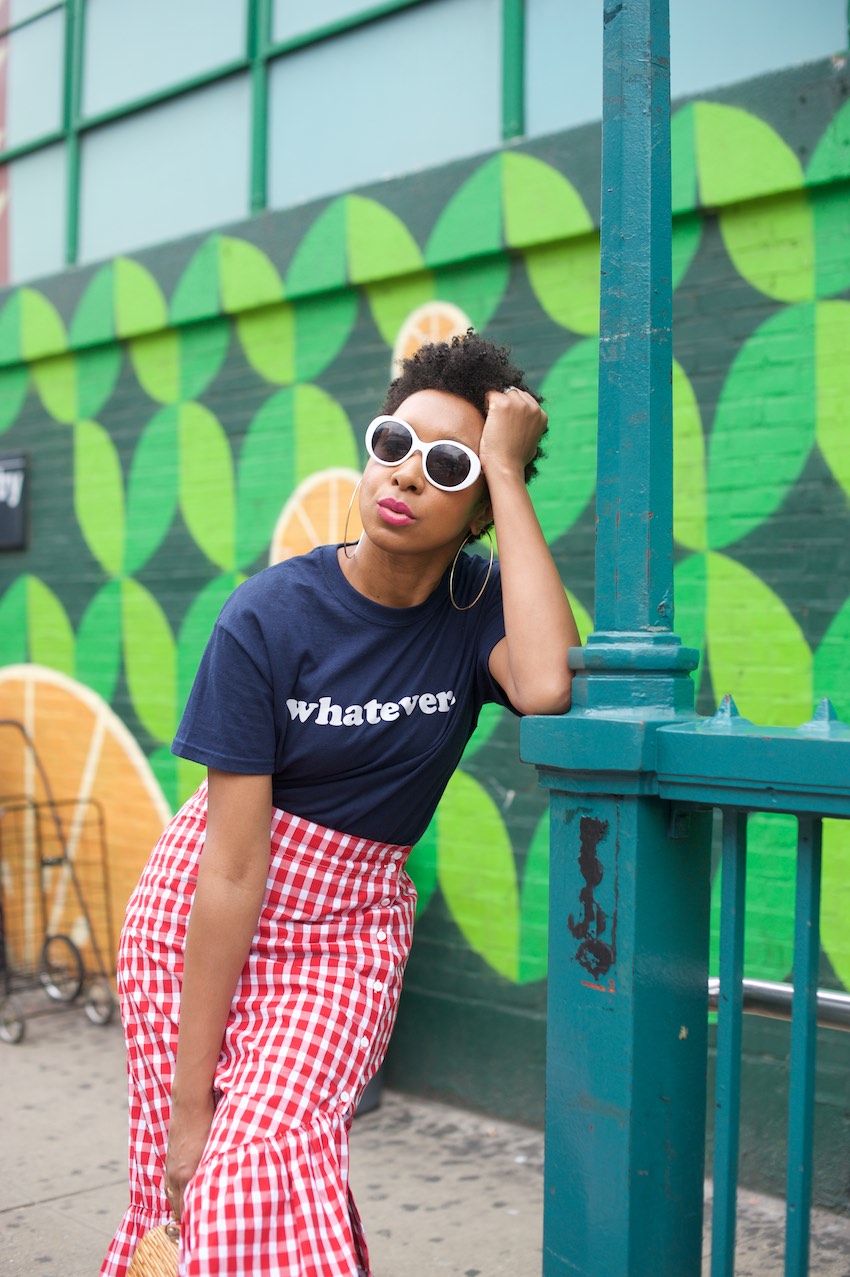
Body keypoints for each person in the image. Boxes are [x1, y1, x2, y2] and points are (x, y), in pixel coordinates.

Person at [101, 331, 580, 1277]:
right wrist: (188, 1104)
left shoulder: (478, 604)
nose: (405, 475)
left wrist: (511, 478)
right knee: (186, 1186)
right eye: (392, 443)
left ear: (478, 508)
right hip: (209, 908)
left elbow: (546, 684)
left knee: (254, 1170)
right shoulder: (267, 618)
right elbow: (232, 870)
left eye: (449, 466)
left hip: (348, 927)